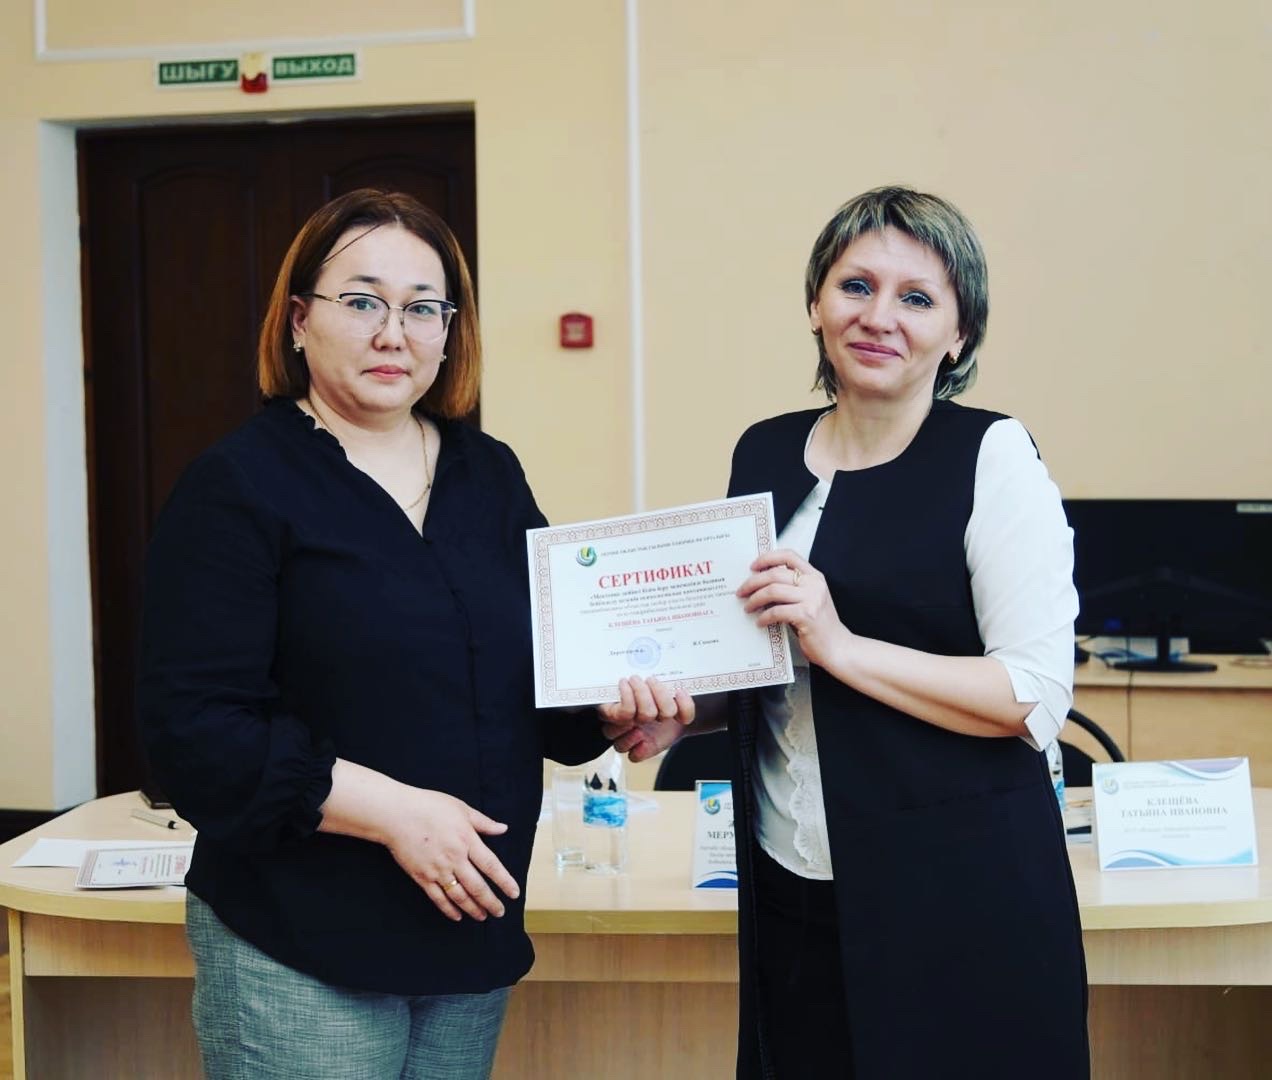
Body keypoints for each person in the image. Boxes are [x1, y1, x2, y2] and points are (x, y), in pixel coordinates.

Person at [605, 186, 1089, 1078]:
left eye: (917, 298)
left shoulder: (992, 456)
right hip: (789, 883)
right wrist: (688, 713)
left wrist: (842, 644)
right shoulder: (763, 450)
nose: (878, 316)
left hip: (959, 896)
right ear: (816, 304)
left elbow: (1032, 697)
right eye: (855, 285)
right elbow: (767, 661)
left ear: (959, 335)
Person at [138, 189, 609, 1079]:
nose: (394, 333)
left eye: (423, 308)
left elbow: (535, 683)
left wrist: (619, 706)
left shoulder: (488, 475)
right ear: (298, 320)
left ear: (450, 331)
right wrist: (393, 812)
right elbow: (192, 732)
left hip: (467, 930)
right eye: (362, 301)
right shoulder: (238, 486)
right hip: (301, 935)